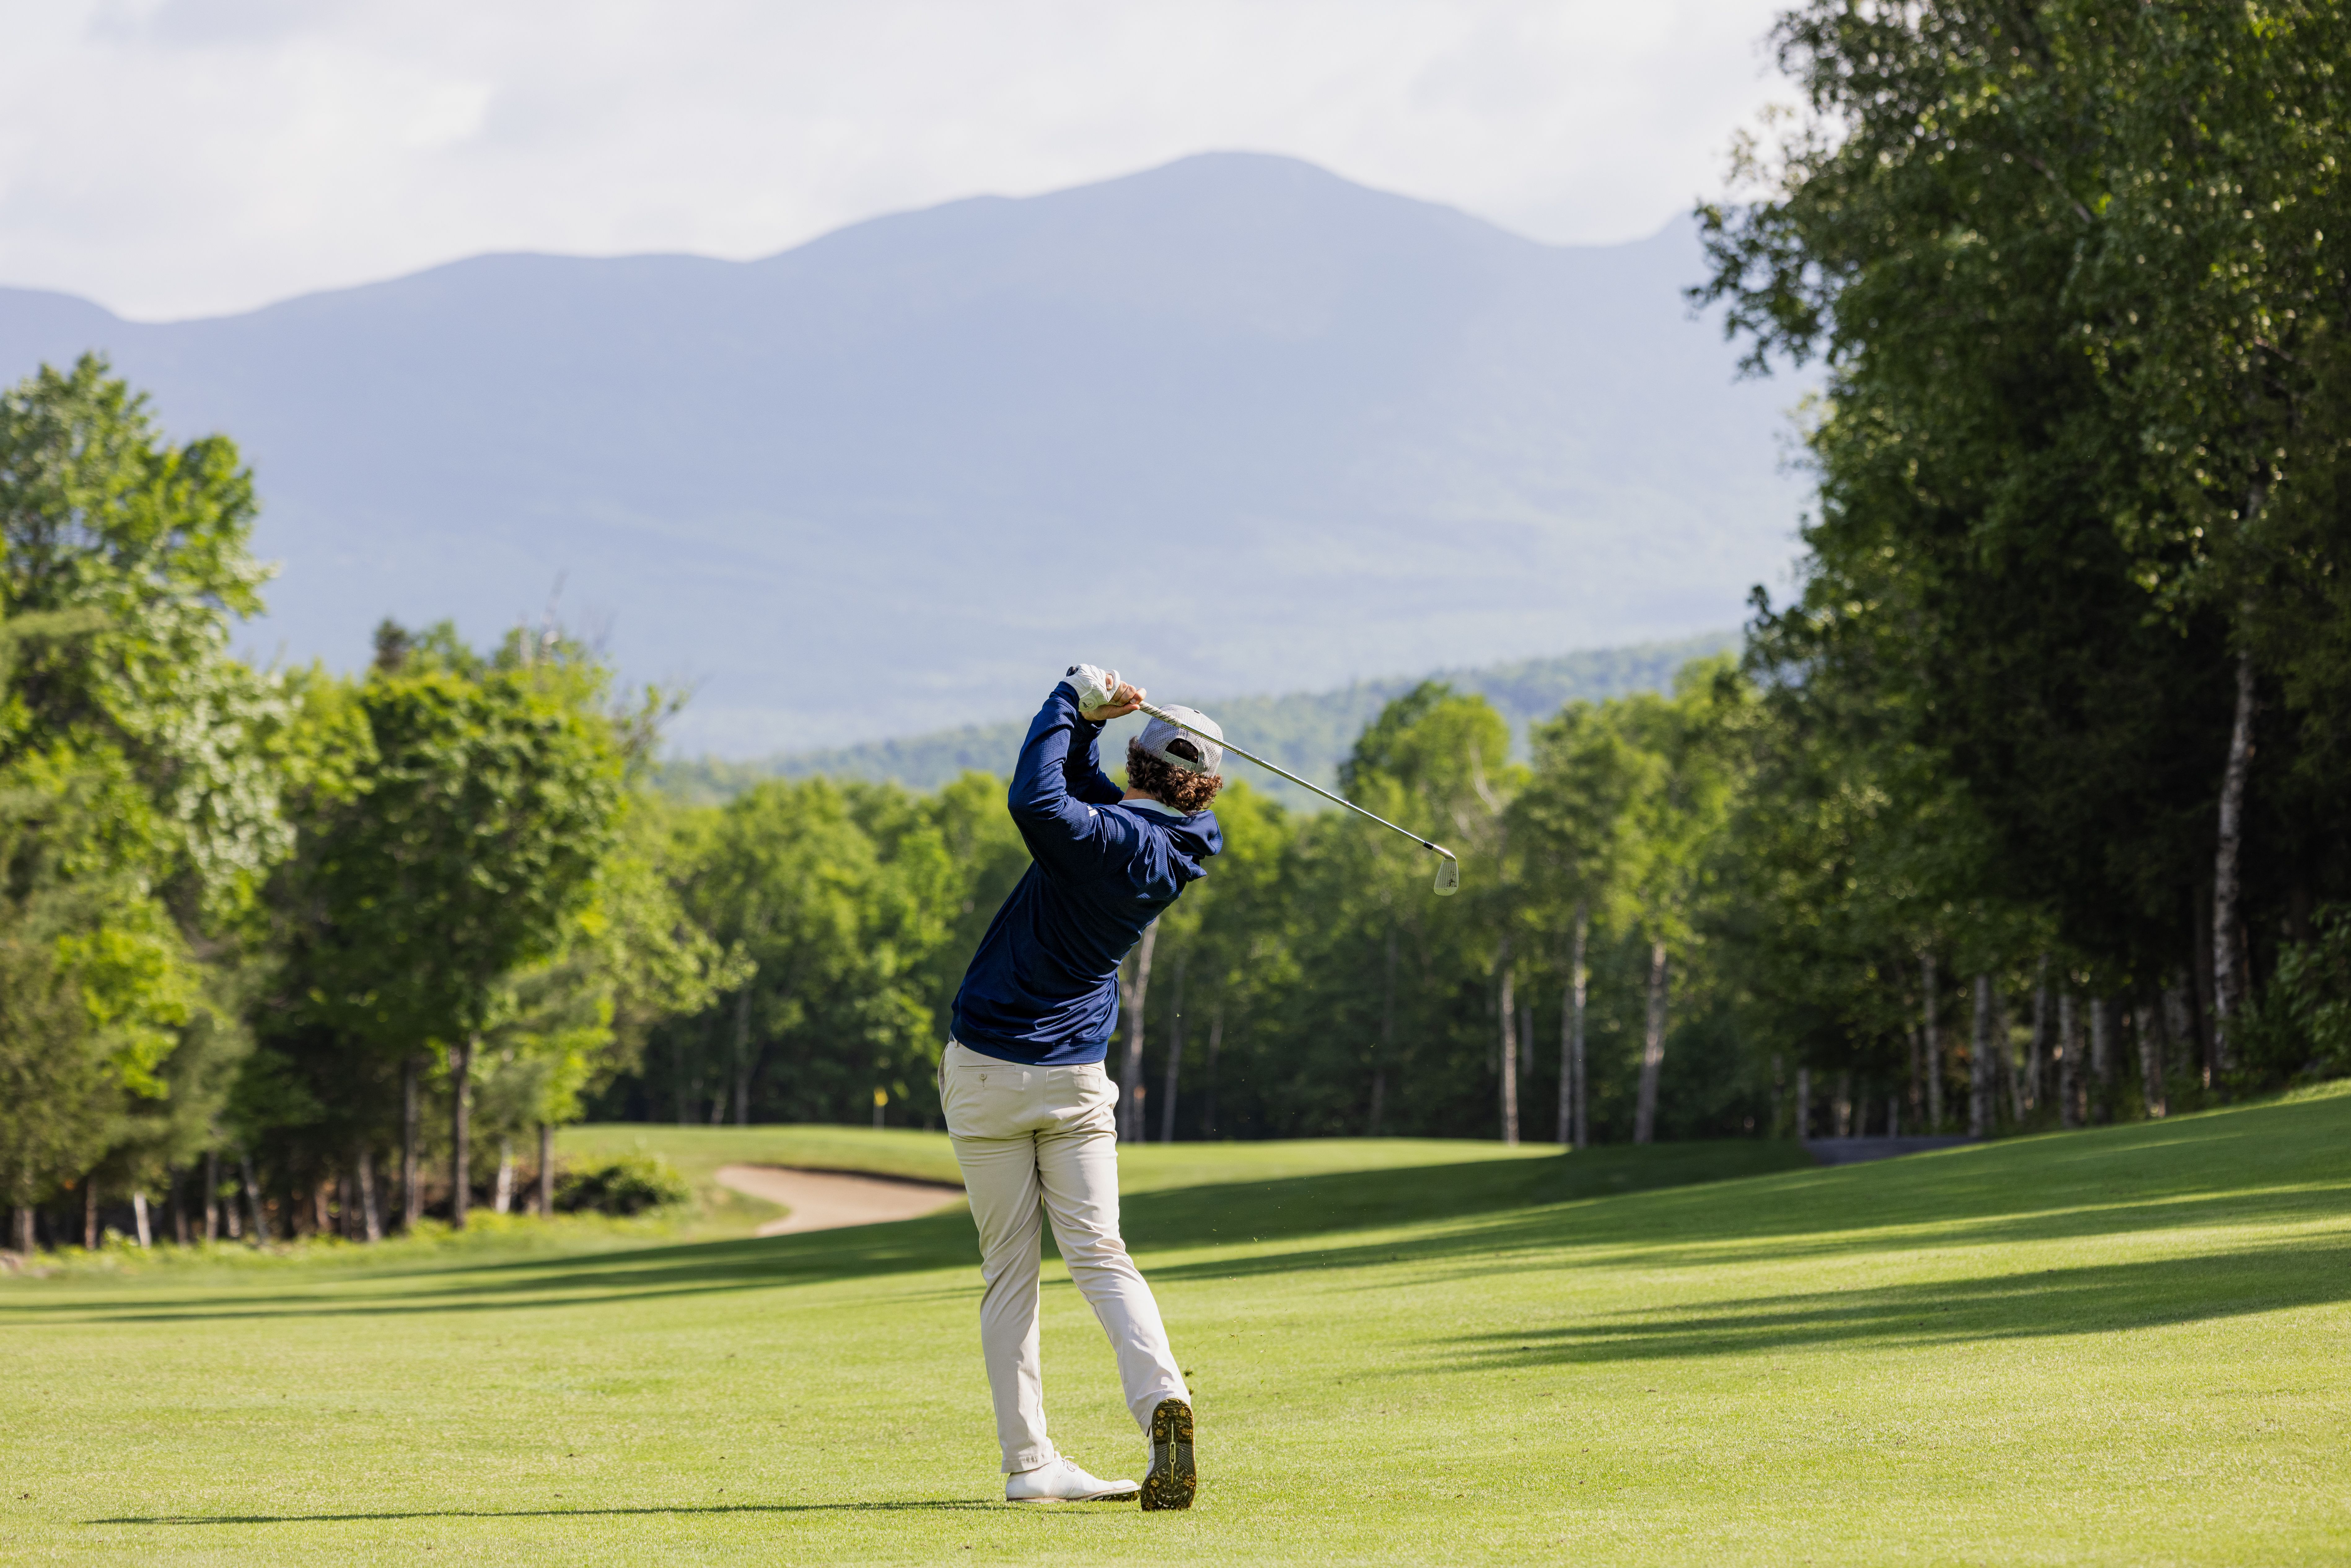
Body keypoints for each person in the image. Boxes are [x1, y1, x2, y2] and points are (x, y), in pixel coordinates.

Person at [941, 663, 1225, 1509]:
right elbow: (1079, 792)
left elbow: (1035, 801)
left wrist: (1071, 702)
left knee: (1010, 1274)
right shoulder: (1183, 845)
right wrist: (1096, 732)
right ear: (1201, 791)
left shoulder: (1096, 834)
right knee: (1102, 1255)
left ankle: (1030, 1465)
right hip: (1073, 1085)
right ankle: (1160, 1398)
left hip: (989, 1072)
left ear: (1140, 770)